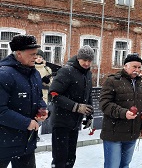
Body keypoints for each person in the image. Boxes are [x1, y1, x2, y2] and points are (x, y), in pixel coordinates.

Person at [0, 34, 48, 168]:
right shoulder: (4, 74)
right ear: (19, 54)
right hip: (3, 143)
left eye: (36, 53)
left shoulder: (35, 74)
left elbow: (38, 98)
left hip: (26, 143)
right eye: (32, 54)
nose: (35, 57)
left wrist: (42, 109)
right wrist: (26, 122)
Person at [49, 45, 94, 168]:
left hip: (75, 122)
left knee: (70, 157)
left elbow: (88, 95)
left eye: (89, 61)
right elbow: (54, 94)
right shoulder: (66, 71)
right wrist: (76, 107)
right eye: (84, 60)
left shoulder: (88, 74)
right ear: (78, 58)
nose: (86, 63)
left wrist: (90, 115)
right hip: (61, 122)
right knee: (60, 159)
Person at [99, 53, 142, 168]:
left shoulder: (140, 83)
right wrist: (123, 113)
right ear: (125, 66)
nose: (137, 70)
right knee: (112, 165)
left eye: (139, 67)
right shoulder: (112, 81)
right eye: (134, 67)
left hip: (132, 134)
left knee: (125, 165)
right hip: (114, 133)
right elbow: (105, 104)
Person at [35, 49, 53, 137]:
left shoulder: (47, 69)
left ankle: (36, 133)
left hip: (44, 95)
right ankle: (32, 133)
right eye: (37, 57)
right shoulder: (30, 67)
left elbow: (52, 83)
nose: (38, 59)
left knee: (41, 115)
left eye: (40, 57)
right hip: (33, 94)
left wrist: (47, 81)